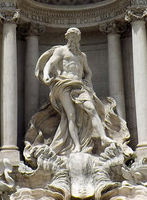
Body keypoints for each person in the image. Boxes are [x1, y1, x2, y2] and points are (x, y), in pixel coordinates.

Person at [29, 27, 125, 155]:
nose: (73, 39)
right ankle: (76, 145)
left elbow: (88, 72)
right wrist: (46, 75)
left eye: (75, 37)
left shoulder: (81, 55)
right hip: (64, 84)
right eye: (71, 37)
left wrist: (88, 80)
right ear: (67, 38)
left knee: (91, 110)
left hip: (79, 85)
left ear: (78, 39)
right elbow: (50, 64)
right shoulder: (61, 51)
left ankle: (103, 137)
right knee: (70, 116)